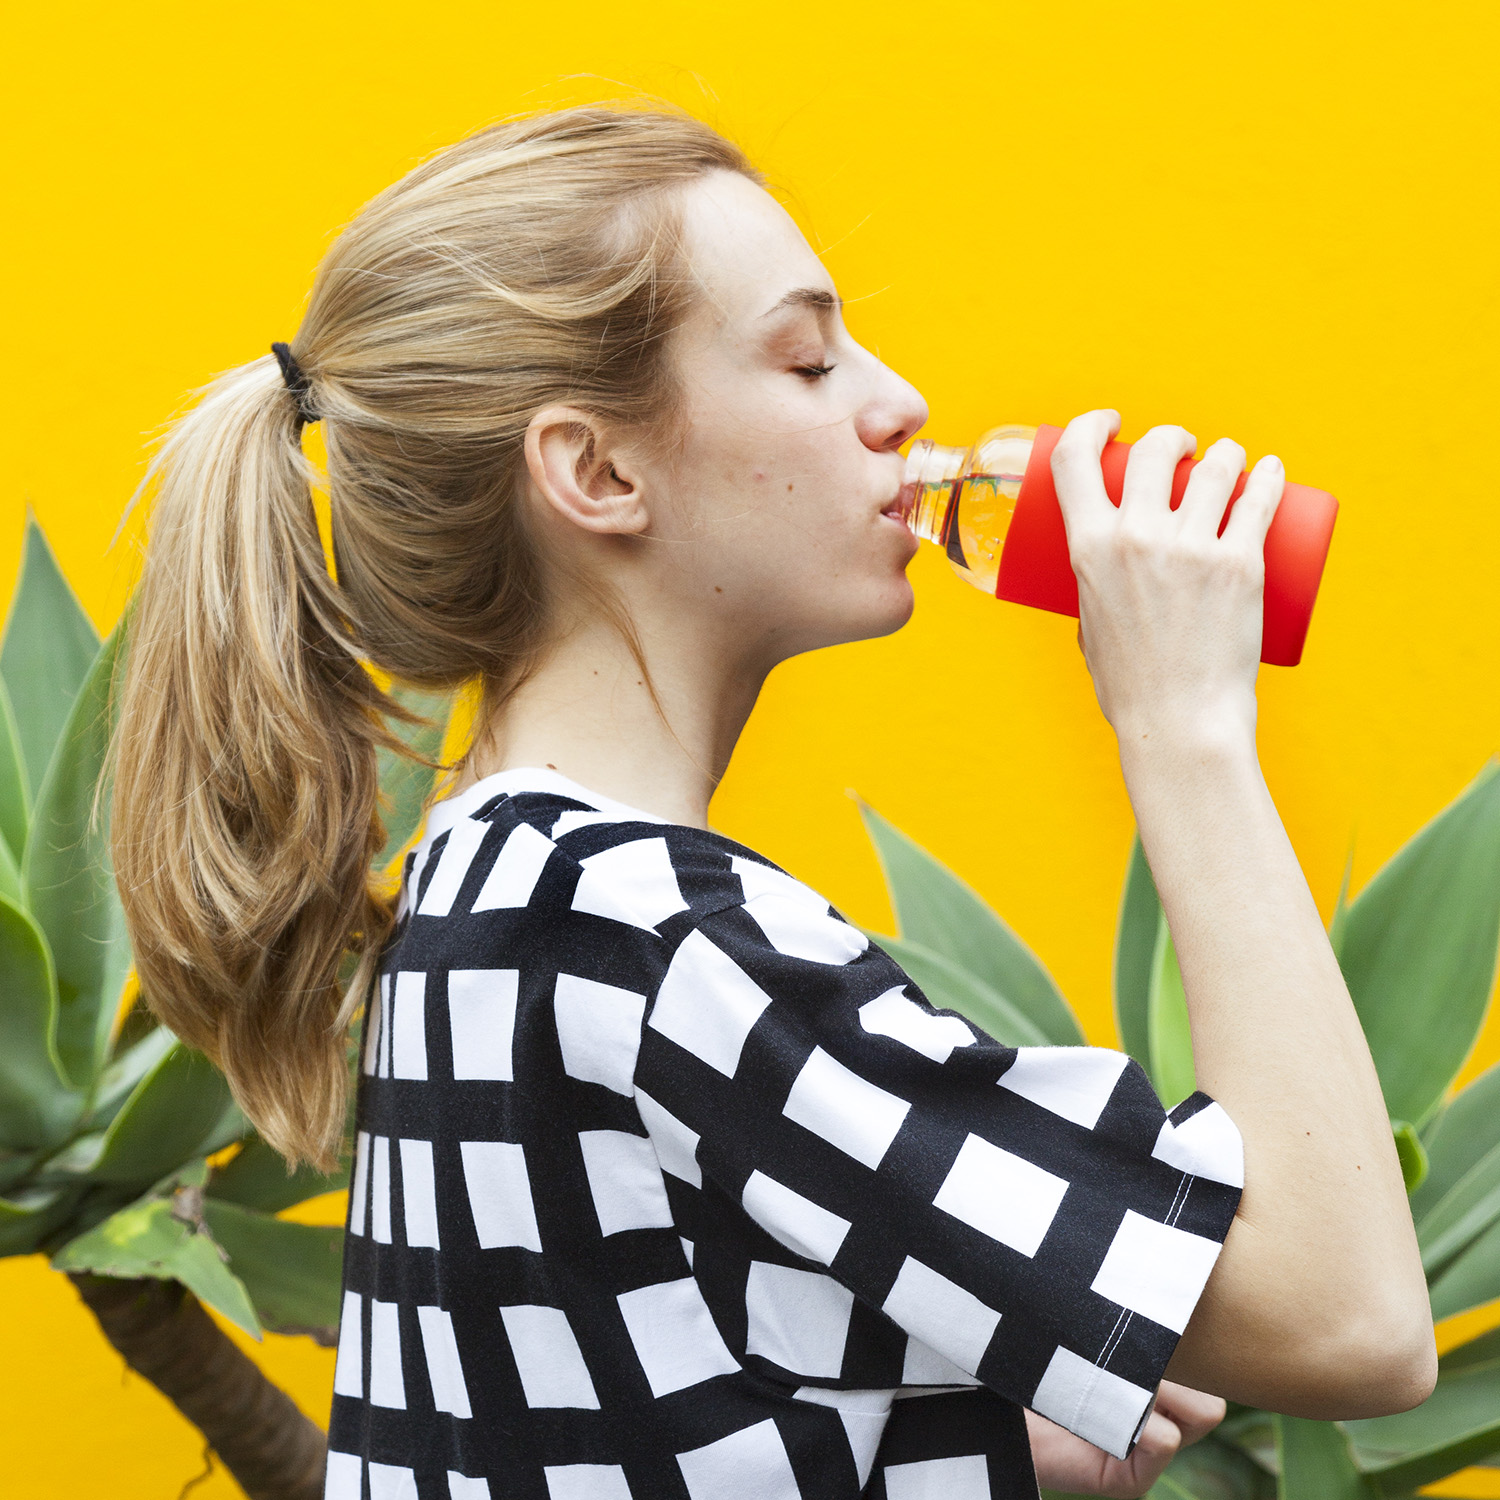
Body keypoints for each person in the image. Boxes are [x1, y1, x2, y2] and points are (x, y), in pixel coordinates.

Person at [110, 107, 1436, 1500]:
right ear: (598, 473)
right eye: (807, 358)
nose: (900, 401)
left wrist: (975, 1453)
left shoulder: (480, 892)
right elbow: (1348, 1319)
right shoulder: (662, 944)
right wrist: (1186, 726)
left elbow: (562, 1437)